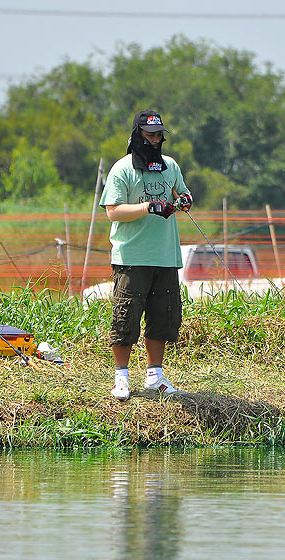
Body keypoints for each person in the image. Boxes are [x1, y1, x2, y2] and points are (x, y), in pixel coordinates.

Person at [100, 110, 194, 399]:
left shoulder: (171, 166)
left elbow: (184, 195)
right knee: (126, 317)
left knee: (163, 318)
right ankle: (121, 378)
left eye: (158, 136)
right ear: (137, 135)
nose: (154, 141)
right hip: (132, 257)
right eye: (149, 135)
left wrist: (183, 201)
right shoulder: (122, 169)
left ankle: (155, 376)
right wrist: (148, 207)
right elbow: (113, 211)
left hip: (165, 256)